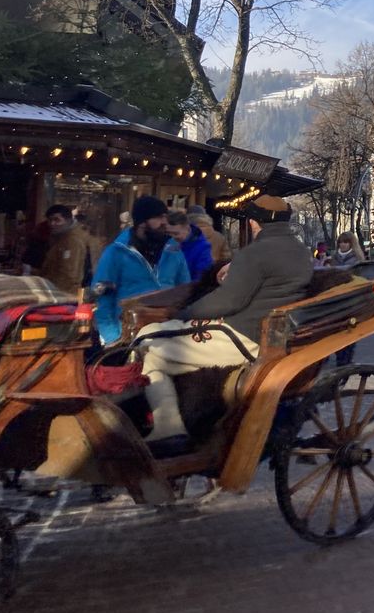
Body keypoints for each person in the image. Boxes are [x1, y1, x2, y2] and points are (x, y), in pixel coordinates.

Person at [136, 195, 311, 457]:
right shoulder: (301, 251)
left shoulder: (255, 253)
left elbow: (229, 300)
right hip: (269, 335)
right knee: (156, 356)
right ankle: (169, 425)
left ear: (254, 223)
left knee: (147, 342)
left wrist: (186, 313)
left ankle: (169, 426)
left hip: (239, 337)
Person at [90, 196, 190, 346]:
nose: (164, 222)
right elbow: (102, 298)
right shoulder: (116, 253)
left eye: (165, 217)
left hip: (170, 335)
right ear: (142, 222)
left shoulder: (173, 250)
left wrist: (185, 328)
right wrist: (112, 337)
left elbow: (185, 290)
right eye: (158, 217)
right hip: (128, 337)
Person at [39, 204, 91, 296]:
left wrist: (57, 295)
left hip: (66, 295)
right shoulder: (62, 236)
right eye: (50, 220)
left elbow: (71, 276)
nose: (52, 224)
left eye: (57, 220)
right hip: (60, 292)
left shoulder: (74, 240)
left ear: (68, 220)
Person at [165, 210, 213, 282]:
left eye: (176, 234)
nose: (172, 237)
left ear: (187, 229)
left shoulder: (202, 248)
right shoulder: (167, 244)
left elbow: (202, 276)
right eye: (168, 233)